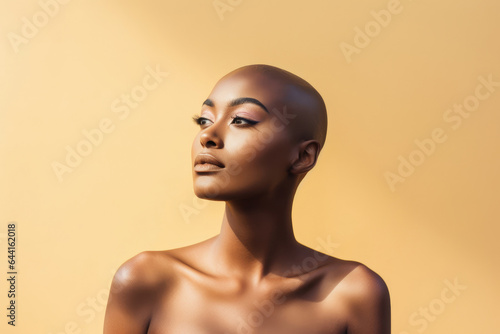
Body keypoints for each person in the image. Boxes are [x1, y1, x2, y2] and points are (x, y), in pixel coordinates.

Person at [103, 64, 391, 333]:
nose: (208, 136)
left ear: (303, 156)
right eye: (204, 120)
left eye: (241, 120)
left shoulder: (352, 293)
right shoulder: (147, 281)